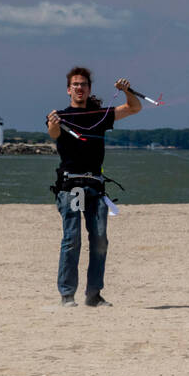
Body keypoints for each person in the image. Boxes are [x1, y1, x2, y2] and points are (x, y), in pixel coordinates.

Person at [47, 68, 142, 306]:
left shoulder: (100, 114)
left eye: (84, 85)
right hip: (72, 186)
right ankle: (67, 295)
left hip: (95, 186)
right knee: (72, 238)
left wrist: (127, 91)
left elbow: (134, 108)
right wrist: (52, 123)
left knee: (99, 239)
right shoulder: (60, 115)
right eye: (75, 85)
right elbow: (54, 133)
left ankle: (93, 295)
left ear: (89, 89)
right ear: (69, 90)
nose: (80, 88)